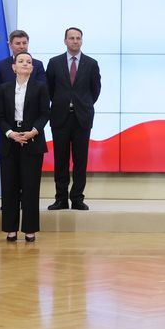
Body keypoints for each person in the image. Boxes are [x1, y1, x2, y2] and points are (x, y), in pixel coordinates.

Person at [0, 52, 50, 242]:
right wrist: (10, 134)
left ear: (32, 68)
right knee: (9, 187)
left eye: (29, 62)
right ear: (14, 67)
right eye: (21, 61)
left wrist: (34, 131)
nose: (25, 64)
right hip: (9, 141)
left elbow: (45, 114)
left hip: (32, 141)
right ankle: (10, 229)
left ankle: (30, 229)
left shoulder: (40, 88)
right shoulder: (4, 88)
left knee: (30, 187)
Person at [46, 27, 102, 211]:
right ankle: (61, 198)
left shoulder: (91, 63)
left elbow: (95, 91)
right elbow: (49, 89)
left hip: (82, 118)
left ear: (82, 41)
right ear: (65, 41)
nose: (75, 41)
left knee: (80, 160)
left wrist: (82, 104)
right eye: (71, 38)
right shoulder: (54, 63)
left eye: (78, 38)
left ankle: (77, 198)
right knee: (60, 160)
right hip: (60, 117)